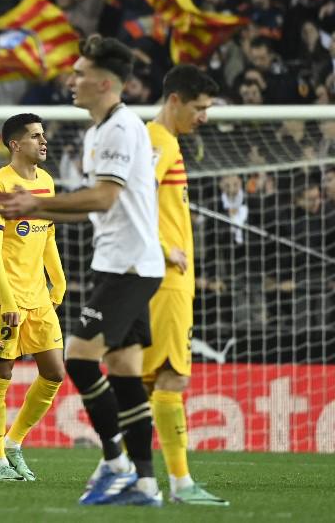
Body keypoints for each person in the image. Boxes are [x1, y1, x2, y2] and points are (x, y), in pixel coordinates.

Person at [0, 36, 165, 506]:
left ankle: (115, 462)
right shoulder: (97, 132)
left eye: (80, 73)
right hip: (118, 262)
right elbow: (95, 209)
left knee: (82, 359)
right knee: (125, 372)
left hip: (128, 265)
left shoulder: (121, 129)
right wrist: (35, 210)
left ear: (105, 82)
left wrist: (37, 202)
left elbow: (104, 197)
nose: (72, 80)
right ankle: (144, 483)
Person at [144, 66, 229, 505]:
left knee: (141, 382)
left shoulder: (157, 139)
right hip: (168, 282)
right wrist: (162, 246)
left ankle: (124, 474)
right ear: (175, 100)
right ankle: (179, 483)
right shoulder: (160, 140)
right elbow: (133, 195)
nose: (205, 117)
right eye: (200, 108)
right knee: (171, 377)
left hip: (156, 280)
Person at [0, 113, 66, 482]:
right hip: (3, 298)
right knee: (1, 373)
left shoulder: (46, 181)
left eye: (43, 135)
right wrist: (9, 301)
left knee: (54, 373)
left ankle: (15, 442)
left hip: (38, 296)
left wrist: (58, 280)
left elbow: (47, 237)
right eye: (34, 136)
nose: (43, 142)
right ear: (15, 144)